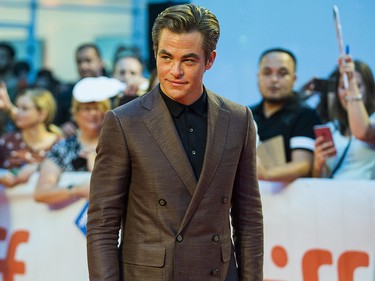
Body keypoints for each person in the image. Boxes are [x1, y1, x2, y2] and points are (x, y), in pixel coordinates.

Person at [86, 3, 263, 281]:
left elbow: (248, 218)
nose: (174, 71)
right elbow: (102, 225)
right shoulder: (124, 122)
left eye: (189, 60)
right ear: (155, 53)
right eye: (166, 57)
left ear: (210, 60)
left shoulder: (238, 119)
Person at [34, 77, 121, 205]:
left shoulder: (119, 145)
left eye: (97, 108)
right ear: (75, 112)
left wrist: (97, 167)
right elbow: (41, 192)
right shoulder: (63, 148)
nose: (92, 113)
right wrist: (77, 190)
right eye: (86, 108)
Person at [250, 48, 321, 182]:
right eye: (267, 73)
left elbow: (303, 164)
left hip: (288, 199)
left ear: (294, 79)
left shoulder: (305, 115)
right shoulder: (245, 115)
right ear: (258, 76)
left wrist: (265, 174)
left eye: (282, 73)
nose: (274, 79)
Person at [313, 57, 375, 179]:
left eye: (357, 86)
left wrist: (350, 81)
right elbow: (318, 181)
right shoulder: (331, 128)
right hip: (333, 196)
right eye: (343, 87)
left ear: (369, 89)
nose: (348, 92)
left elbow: (363, 132)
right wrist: (318, 164)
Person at [0, 85, 61, 187]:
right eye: (17, 107)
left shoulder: (60, 144)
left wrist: (38, 167)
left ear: (42, 114)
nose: (17, 112)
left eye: (24, 109)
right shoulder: (6, 141)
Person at [57, 43, 106, 136]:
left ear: (100, 62)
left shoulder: (114, 90)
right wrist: (63, 127)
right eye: (79, 62)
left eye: (88, 60)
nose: (83, 66)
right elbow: (57, 122)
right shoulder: (67, 94)